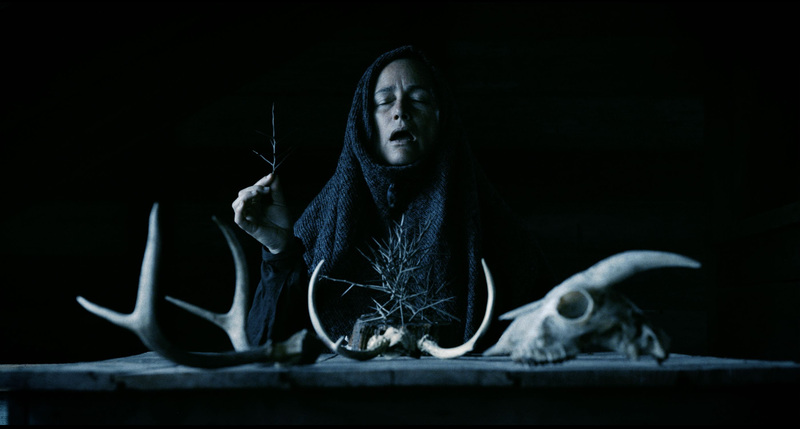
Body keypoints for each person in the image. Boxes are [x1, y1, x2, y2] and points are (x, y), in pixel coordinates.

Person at [232, 45, 554, 351]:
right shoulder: (321, 224)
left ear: (441, 117)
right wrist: (279, 252)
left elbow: (545, 331)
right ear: (364, 121)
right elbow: (262, 348)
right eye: (384, 102)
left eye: (419, 100)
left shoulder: (493, 225)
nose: (400, 112)